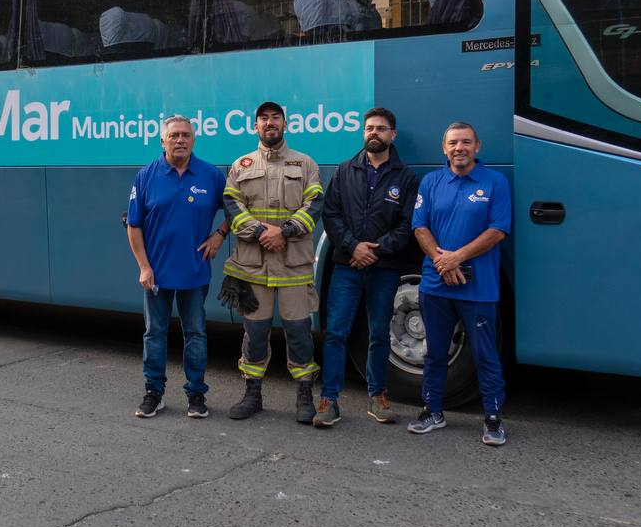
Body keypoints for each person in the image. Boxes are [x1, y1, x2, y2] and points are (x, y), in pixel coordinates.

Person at [407, 121, 511, 446]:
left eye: (466, 142)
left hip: (478, 287)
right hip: (435, 284)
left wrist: (458, 257)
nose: (459, 148)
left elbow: (498, 230)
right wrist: (443, 261)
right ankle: (432, 411)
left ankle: (493, 419)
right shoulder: (431, 181)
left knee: (484, 354)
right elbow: (419, 226)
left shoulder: (495, 182)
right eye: (453, 143)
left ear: (477, 146)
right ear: (444, 148)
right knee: (435, 352)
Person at [314, 107, 419, 428]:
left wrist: (377, 250)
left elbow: (408, 224)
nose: (375, 133)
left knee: (378, 334)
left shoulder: (406, 177)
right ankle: (329, 399)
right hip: (347, 266)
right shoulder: (345, 171)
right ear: (364, 133)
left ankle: (377, 396)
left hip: (385, 269)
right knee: (335, 333)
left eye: (382, 128)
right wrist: (352, 246)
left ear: (393, 135)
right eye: (370, 128)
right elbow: (331, 214)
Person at [219, 102, 323, 424]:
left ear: (284, 123)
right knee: (256, 332)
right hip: (253, 266)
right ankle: (253, 394)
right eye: (263, 119)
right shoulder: (240, 165)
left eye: (274, 118)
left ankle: (304, 394)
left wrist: (286, 231)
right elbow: (231, 206)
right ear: (255, 126)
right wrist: (265, 232)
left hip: (292, 266)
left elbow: (316, 202)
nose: (269, 123)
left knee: (299, 332)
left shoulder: (305, 164)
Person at [127, 115, 229, 419]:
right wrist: (144, 267)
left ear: (194, 140)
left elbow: (238, 210)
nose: (180, 140)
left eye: (185, 135)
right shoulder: (146, 175)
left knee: (195, 334)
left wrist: (219, 235)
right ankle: (153, 392)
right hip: (156, 274)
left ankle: (196, 395)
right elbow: (134, 226)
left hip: (195, 273)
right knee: (154, 333)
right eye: (174, 136)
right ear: (163, 141)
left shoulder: (210, 175)